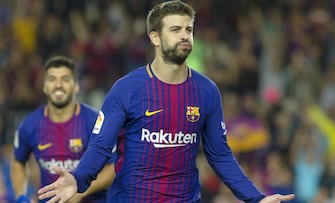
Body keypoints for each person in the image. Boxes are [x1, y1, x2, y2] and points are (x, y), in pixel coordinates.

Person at [38, 1, 295, 202]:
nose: (185, 36)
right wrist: (77, 179)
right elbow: (101, 146)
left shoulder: (207, 91)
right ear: (155, 38)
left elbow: (220, 155)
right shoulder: (126, 89)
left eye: (188, 29)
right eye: (175, 30)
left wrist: (256, 197)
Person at [11, 56, 116, 203]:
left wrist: (80, 191)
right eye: (52, 79)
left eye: (65, 79)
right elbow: (18, 162)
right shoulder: (30, 124)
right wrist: (21, 196)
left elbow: (114, 166)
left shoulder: (95, 122)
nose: (58, 84)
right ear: (44, 86)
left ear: (76, 86)